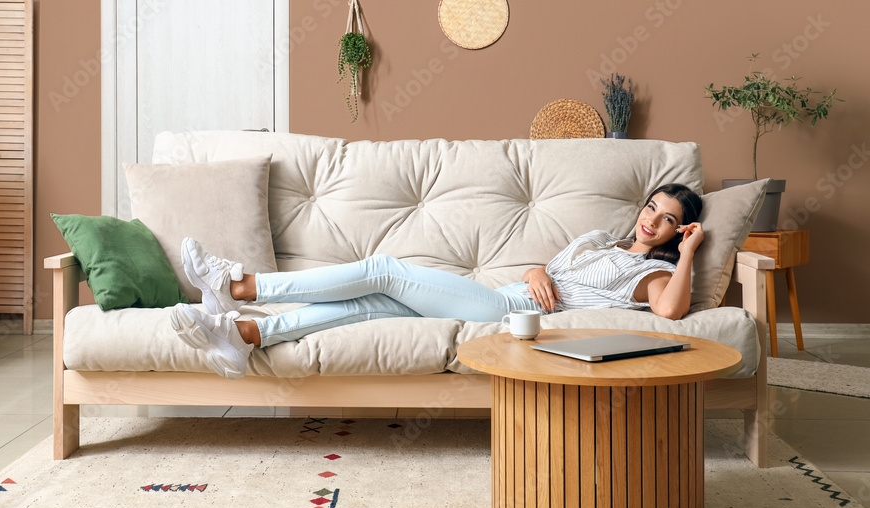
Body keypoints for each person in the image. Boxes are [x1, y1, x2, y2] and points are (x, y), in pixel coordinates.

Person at [170, 183, 705, 379]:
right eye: (651, 208)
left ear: (676, 230)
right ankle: (247, 337)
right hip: (509, 291)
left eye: (666, 220)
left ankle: (242, 288)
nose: (650, 221)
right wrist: (537, 268)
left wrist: (689, 252)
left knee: (384, 269)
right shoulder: (599, 240)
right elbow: (549, 271)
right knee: (372, 302)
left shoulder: (651, 272)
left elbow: (671, 312)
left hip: (500, 311)